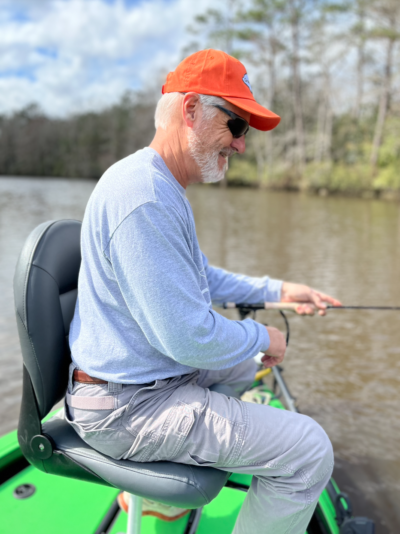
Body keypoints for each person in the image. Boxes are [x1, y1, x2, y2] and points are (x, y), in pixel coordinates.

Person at [66, 49, 341, 533]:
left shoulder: (159, 183)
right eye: (236, 126)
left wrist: (281, 290)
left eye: (245, 132)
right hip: (125, 409)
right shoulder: (145, 197)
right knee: (308, 450)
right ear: (190, 109)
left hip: (139, 382)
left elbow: (203, 279)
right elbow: (190, 337)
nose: (240, 145)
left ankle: (166, 501)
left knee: (248, 363)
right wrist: (262, 337)